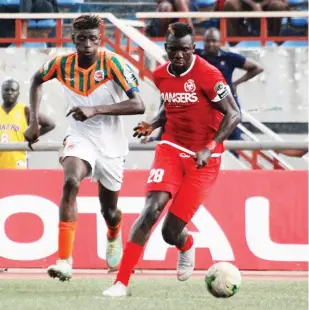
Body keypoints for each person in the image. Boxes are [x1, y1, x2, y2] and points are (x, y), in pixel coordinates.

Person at [103, 22, 241, 297]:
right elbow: (173, 106)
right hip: (170, 148)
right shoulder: (160, 75)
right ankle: (121, 283)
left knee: (170, 231)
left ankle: (186, 244)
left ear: (193, 49)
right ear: (166, 49)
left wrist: (210, 146)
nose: (178, 55)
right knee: (151, 209)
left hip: (205, 158)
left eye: (184, 50)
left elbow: (234, 114)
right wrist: (153, 124)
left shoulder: (209, 74)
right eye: (173, 50)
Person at [24, 14, 145, 281]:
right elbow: (35, 80)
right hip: (80, 136)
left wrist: (95, 109)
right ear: (73, 40)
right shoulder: (61, 64)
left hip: (112, 144)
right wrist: (34, 120)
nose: (87, 45)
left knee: (109, 211)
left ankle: (114, 234)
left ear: (100, 39)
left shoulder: (113, 63)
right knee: (71, 182)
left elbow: (139, 104)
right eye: (81, 39)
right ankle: (65, 260)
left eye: (92, 39)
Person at [195, 27, 263, 157]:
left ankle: (234, 164)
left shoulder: (229, 57)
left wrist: (235, 83)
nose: (210, 44)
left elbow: (257, 68)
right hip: (205, 106)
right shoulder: (197, 56)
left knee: (234, 138)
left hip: (227, 105)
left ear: (220, 42)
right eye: (207, 41)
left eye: (214, 41)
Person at [0, 79, 55, 169]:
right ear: (1, 92)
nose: (10, 92)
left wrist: (32, 135)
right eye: (6, 90)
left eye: (13, 90)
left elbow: (50, 124)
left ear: (18, 93)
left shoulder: (25, 110)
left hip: (18, 162)